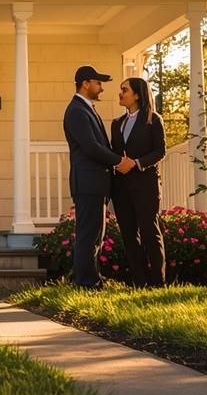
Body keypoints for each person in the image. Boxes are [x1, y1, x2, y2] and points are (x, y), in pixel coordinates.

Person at [62, 65, 122, 288]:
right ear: (85, 83)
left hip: (96, 182)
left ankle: (92, 277)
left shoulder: (86, 109)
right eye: (98, 83)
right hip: (88, 182)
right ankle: (86, 282)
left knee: (96, 235)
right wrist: (119, 161)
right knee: (88, 235)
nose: (101, 88)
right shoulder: (76, 111)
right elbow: (90, 146)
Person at [110, 77, 167, 286]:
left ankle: (158, 282)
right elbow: (115, 152)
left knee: (150, 232)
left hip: (146, 186)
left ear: (136, 95)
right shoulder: (117, 123)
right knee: (128, 235)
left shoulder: (153, 120)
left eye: (124, 90)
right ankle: (139, 282)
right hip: (121, 188)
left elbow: (160, 152)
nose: (120, 93)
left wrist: (136, 163)